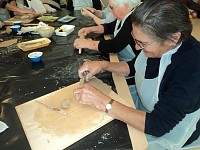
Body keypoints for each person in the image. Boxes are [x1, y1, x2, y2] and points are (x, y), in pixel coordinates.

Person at [73, 0, 200, 149]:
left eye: (142, 43)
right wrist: (104, 65)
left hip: (169, 130)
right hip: (146, 110)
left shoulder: (192, 66)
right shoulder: (157, 43)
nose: (136, 47)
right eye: (135, 39)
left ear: (173, 38)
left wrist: (102, 102)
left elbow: (158, 125)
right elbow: (134, 67)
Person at [74, 0, 141, 62]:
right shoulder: (125, 15)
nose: (111, 11)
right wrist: (90, 29)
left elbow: (115, 45)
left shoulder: (134, 20)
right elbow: (110, 26)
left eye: (112, 8)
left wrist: (87, 44)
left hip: (131, 65)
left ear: (125, 6)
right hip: (122, 60)